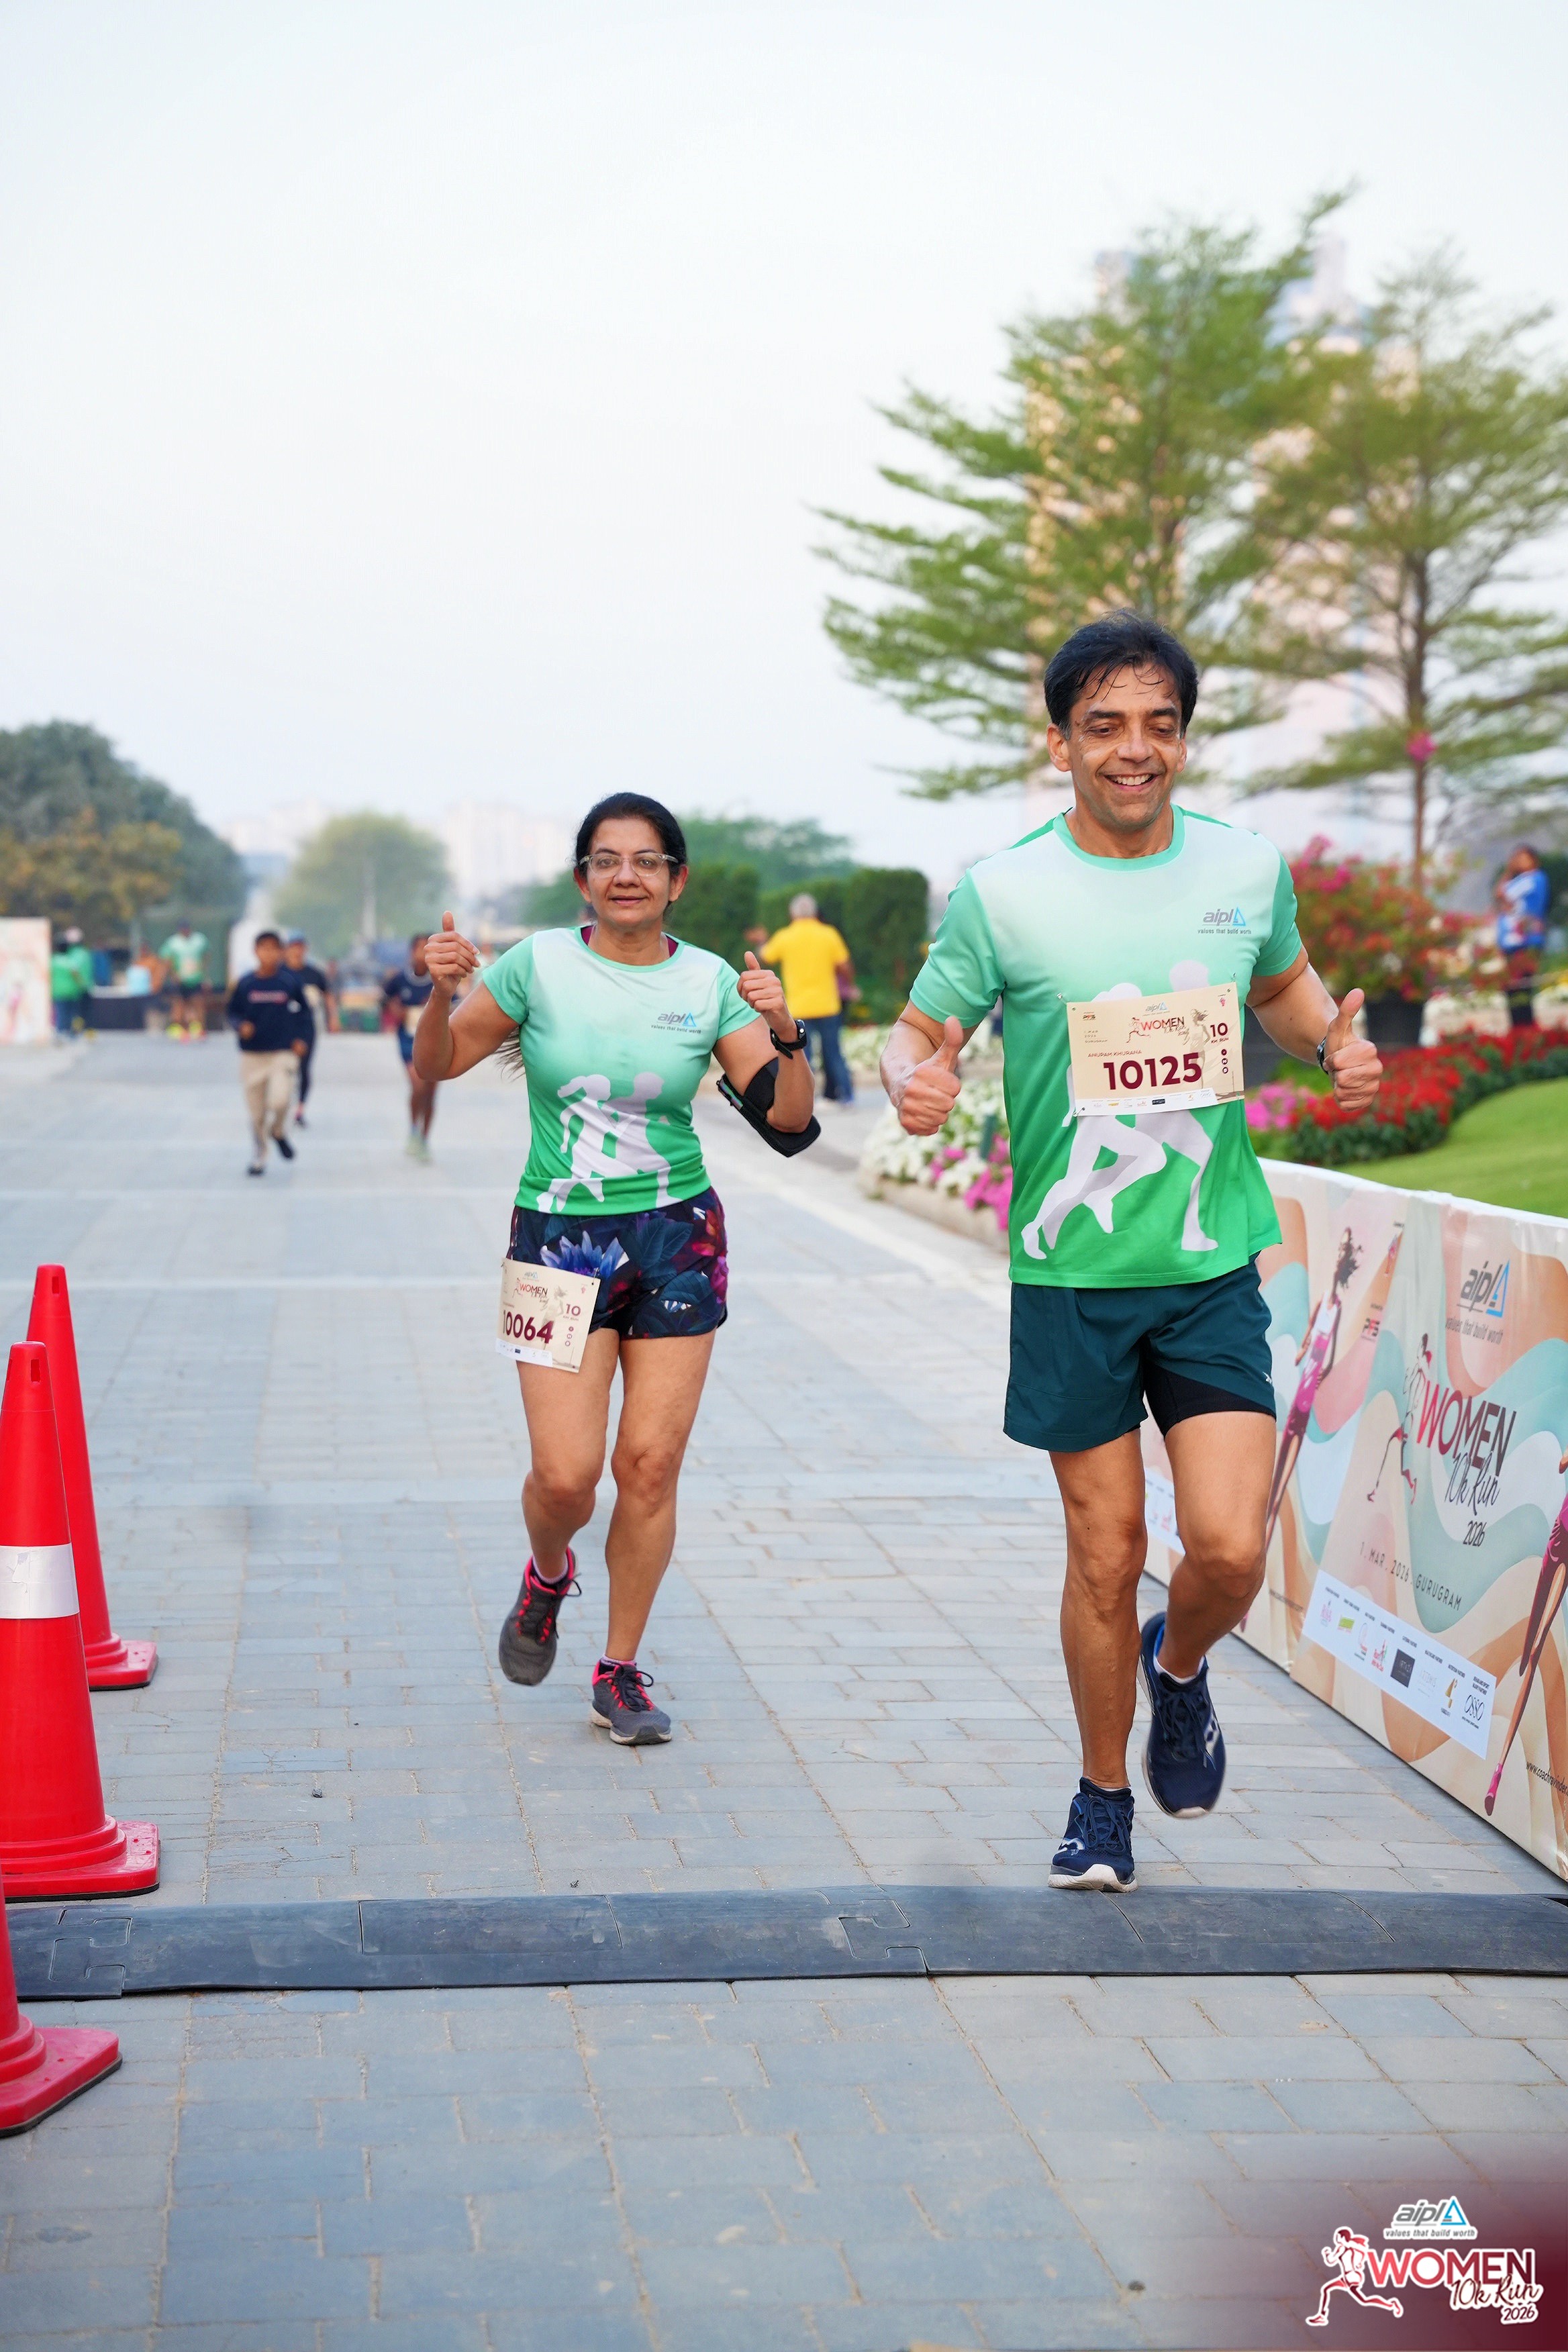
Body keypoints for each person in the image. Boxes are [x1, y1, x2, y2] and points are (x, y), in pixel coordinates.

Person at [880, 609, 1383, 1892]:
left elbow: (1284, 990)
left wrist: (1333, 1042)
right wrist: (908, 1077)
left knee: (1229, 1548)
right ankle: (1102, 1796)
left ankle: (1180, 1661)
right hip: (1071, 1278)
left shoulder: (1244, 867)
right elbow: (917, 1029)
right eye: (1104, 724)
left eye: (1159, 723)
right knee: (1103, 1551)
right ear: (1060, 743)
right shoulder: (1003, 891)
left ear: (1184, 739)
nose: (1134, 747)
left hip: (1208, 1265)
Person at [414, 791, 814, 1745]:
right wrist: (437, 994)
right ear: (583, 879)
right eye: (606, 860)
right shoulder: (537, 965)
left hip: (678, 1239)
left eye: (646, 861)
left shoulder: (710, 981)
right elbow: (438, 1065)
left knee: (649, 1467)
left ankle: (619, 1669)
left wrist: (788, 1034)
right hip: (558, 1239)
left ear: (677, 880)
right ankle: (548, 1574)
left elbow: (789, 1120)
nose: (625, 875)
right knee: (566, 1478)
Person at [1484, 1450, 1568, 1817]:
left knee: (1535, 1652)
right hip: (1556, 1538)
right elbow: (1561, 1464)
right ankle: (1499, 1765)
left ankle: (1498, 1772)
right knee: (1525, 1648)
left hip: (1567, 1559)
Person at [753, 893, 858, 1104]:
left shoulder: (785, 936)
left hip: (799, 1006)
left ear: (792, 914)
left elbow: (764, 957)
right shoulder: (829, 934)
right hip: (828, 1004)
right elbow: (844, 965)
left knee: (802, 1056)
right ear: (815, 912)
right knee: (834, 1053)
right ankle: (846, 1095)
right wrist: (850, 985)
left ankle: (803, 1100)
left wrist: (761, 941)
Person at [228, 930, 309, 1175]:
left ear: (281, 952)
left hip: (282, 1053)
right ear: (256, 952)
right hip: (253, 1055)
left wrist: (301, 1039)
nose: (269, 954)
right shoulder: (246, 984)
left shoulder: (289, 983)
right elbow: (232, 1012)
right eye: (264, 949)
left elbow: (304, 1013)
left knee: (280, 1099)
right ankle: (260, 1153)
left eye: (274, 949)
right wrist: (240, 1026)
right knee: (257, 1113)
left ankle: (278, 1131)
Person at [384, 935, 436, 1159]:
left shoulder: (440, 979)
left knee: (431, 1092)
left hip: (435, 1041)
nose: (423, 953)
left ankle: (424, 1138)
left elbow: (457, 1005)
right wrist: (396, 1010)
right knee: (418, 1085)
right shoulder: (400, 979)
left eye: (428, 949)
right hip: (408, 1040)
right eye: (419, 948)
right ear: (412, 952)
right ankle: (414, 1128)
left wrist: (435, 1010)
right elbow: (385, 999)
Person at [1493, 846, 1551, 1028]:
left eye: (1523, 858)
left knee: (1522, 988)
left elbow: (1506, 897)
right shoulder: (1515, 880)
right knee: (1511, 989)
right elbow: (1500, 895)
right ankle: (1517, 1031)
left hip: (1525, 941)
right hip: (1510, 943)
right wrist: (1509, 871)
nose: (1519, 861)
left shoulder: (1536, 878)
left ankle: (1526, 1030)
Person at [283, 932, 334, 1126]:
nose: (297, 951)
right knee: (284, 1066)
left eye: (300, 947)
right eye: (293, 947)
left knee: (304, 1067)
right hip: (283, 1025)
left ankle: (300, 1108)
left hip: (306, 1025)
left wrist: (333, 1018)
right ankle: (283, 1103)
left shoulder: (314, 974)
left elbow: (327, 995)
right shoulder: (280, 973)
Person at [158, 920, 209, 1040]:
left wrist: (203, 971)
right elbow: (166, 959)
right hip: (180, 980)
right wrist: (173, 975)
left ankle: (198, 1028)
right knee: (179, 1004)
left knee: (197, 1003)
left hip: (195, 979)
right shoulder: (173, 942)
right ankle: (177, 1028)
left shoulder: (199, 940)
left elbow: (206, 955)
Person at [50, 928, 94, 1037]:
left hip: (67, 990)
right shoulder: (84, 953)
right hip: (79, 988)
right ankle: (79, 1033)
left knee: (64, 1013)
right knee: (77, 1014)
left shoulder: (64, 957)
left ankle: (65, 1032)